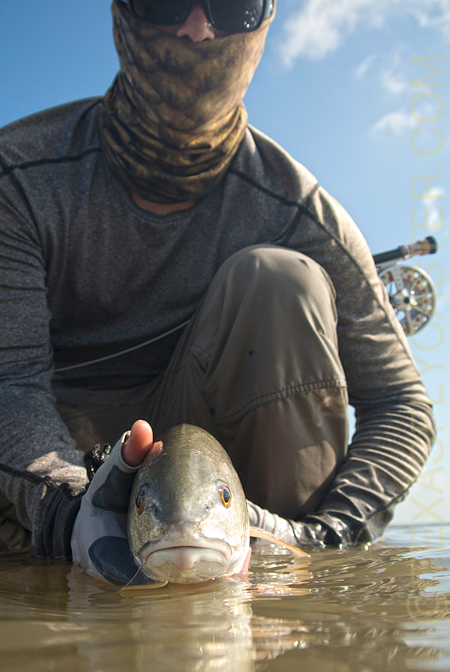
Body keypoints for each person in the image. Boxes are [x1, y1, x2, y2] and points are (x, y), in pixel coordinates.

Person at [0, 0, 435, 583]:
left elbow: (401, 403)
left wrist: (330, 535)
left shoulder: (299, 211)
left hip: (222, 478)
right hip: (55, 450)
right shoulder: (19, 177)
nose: (197, 27)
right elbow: (12, 382)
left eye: (234, 5)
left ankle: (281, 606)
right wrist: (65, 507)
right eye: (165, 0)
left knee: (283, 281)